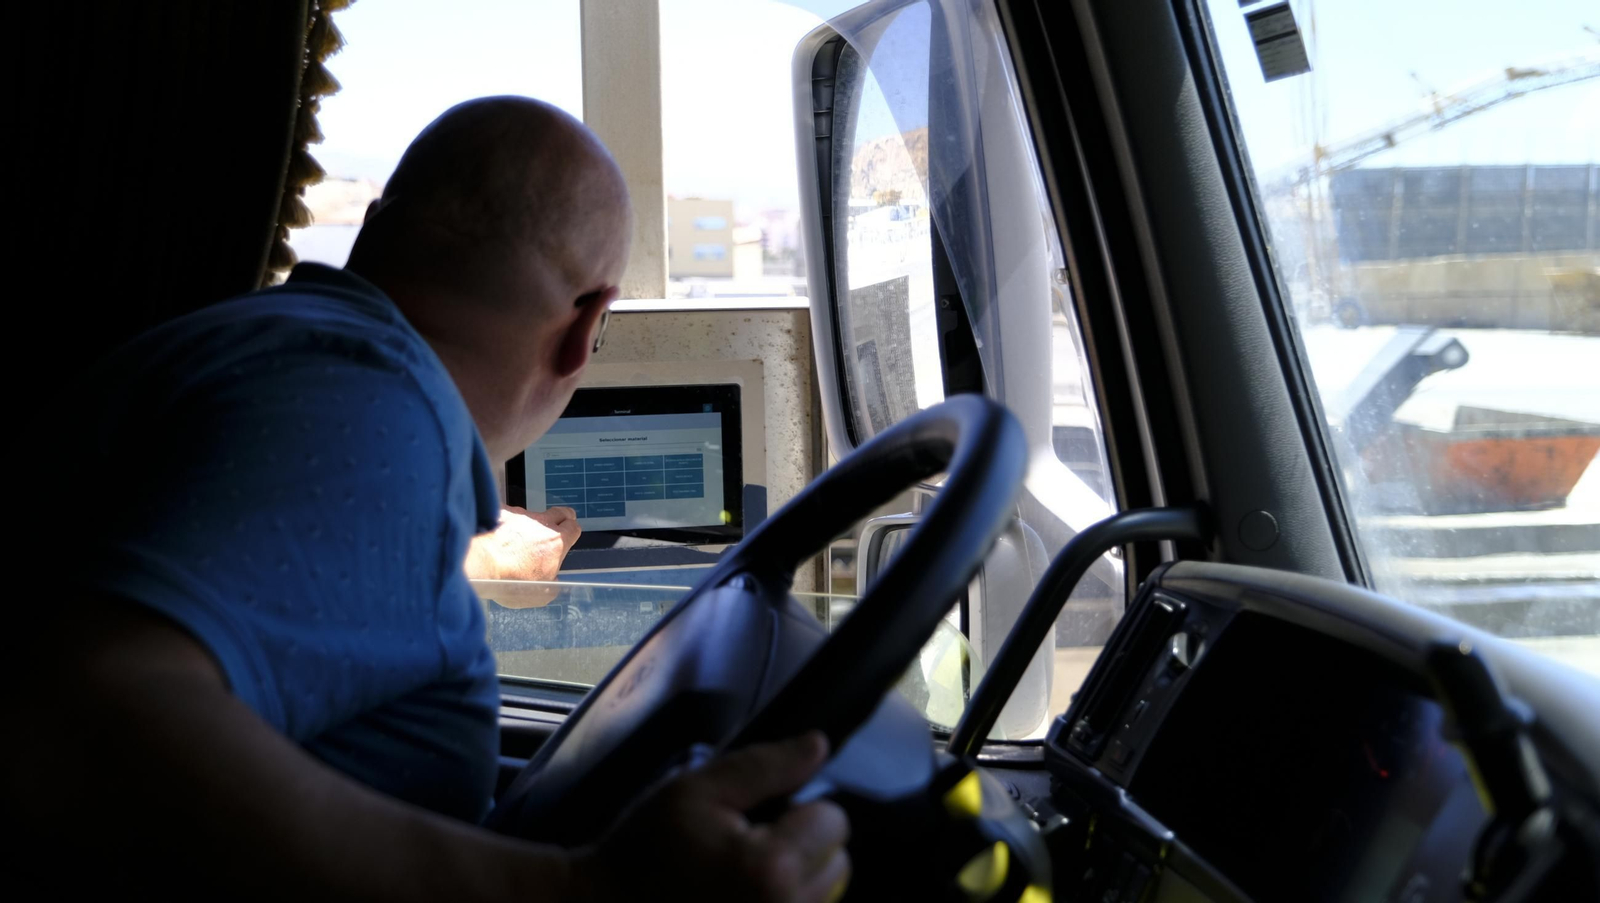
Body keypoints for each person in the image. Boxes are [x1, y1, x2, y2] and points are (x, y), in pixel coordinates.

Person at [15, 96, 849, 901]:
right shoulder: (369, 405)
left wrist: (469, 553)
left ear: (376, 228)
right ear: (585, 326)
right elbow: (90, 713)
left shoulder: (275, 356)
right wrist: (585, 890)